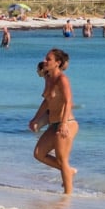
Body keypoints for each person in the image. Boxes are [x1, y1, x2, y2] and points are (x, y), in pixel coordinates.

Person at [29, 47, 77, 194]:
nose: (45, 61)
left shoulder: (63, 79)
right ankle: (68, 171)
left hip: (67, 123)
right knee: (38, 153)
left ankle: (68, 196)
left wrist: (63, 124)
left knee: (62, 160)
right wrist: (35, 118)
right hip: (53, 123)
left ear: (57, 63)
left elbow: (69, 102)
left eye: (48, 59)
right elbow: (47, 101)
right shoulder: (49, 78)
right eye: (46, 58)